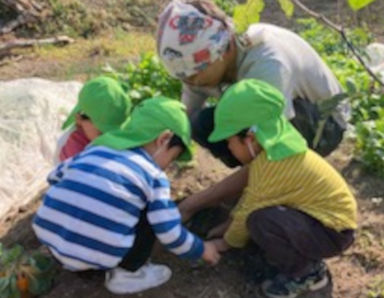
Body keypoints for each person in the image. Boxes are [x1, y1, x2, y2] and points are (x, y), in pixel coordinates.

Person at [32, 97, 221, 295]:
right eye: (172, 158)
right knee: (153, 212)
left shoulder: (94, 150)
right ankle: (127, 275)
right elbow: (168, 232)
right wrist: (201, 249)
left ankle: (76, 254)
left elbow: (53, 177)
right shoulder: (152, 175)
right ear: (163, 139)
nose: (168, 167)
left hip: (52, 242)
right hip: (97, 257)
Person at [203, 79, 356, 298]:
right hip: (325, 222)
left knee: (260, 221)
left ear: (250, 139)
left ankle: (307, 274)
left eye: (230, 141)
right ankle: (302, 258)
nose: (228, 147)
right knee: (262, 218)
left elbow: (249, 208)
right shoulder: (278, 146)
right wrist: (228, 224)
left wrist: (225, 243)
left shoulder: (273, 165)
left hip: (332, 232)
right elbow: (251, 196)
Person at [157, 0, 349, 168]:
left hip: (323, 121)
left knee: (267, 155)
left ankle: (285, 177)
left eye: (194, 75)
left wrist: (196, 203)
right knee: (201, 123)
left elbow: (275, 142)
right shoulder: (200, 67)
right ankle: (255, 174)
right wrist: (155, 165)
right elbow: (185, 120)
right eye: (184, 77)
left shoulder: (267, 65)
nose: (191, 82)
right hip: (274, 117)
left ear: (222, 51)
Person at [54, 76, 132, 163]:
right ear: (79, 118)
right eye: (102, 132)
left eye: (116, 132)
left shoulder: (90, 133)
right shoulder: (73, 149)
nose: (109, 137)